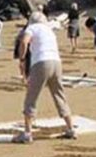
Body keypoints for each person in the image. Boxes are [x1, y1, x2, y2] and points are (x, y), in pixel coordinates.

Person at [12, 12, 75, 144]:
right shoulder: (49, 30)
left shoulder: (32, 28)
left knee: (31, 97)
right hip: (56, 63)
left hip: (41, 63)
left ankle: (27, 133)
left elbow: (24, 41)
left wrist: (22, 60)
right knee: (59, 95)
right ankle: (70, 128)